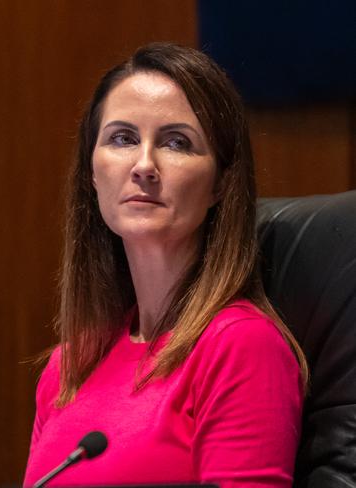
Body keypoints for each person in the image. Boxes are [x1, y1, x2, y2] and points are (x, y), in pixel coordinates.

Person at [23, 43, 308, 488]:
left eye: (177, 142)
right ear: (92, 173)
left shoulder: (241, 348)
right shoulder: (68, 366)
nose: (144, 165)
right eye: (122, 138)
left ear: (220, 183)